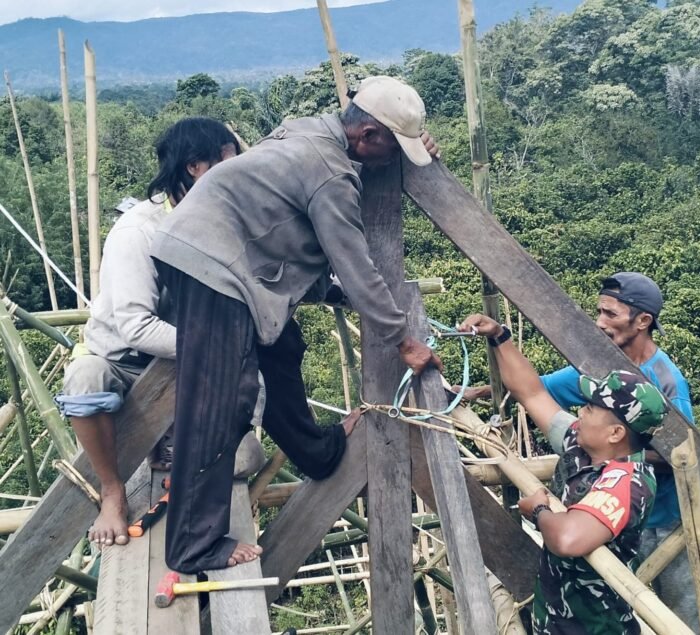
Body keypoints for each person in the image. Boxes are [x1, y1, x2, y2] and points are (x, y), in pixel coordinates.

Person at [150, 75, 443, 573]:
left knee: (282, 351)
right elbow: (356, 265)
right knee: (221, 401)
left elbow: (287, 223)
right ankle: (193, 545)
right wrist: (403, 340)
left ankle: (317, 453)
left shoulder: (306, 130)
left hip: (226, 264)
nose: (391, 161)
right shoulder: (329, 171)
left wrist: (417, 148)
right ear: (368, 136)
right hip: (215, 266)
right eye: (393, 149)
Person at [456, 272, 698, 627]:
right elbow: (534, 391)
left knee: (676, 612)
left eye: (588, 408)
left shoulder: (625, 476)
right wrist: (499, 337)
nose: (579, 411)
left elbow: (681, 455)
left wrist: (541, 508)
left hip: (654, 532)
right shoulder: (586, 424)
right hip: (561, 614)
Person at [55, 118, 240, 548]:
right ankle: (112, 491)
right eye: (229, 163)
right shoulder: (139, 230)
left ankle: (173, 450)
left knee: (243, 456)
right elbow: (137, 327)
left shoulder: (216, 218)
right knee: (83, 380)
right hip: (125, 362)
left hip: (180, 361)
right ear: (196, 167)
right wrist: (214, 348)